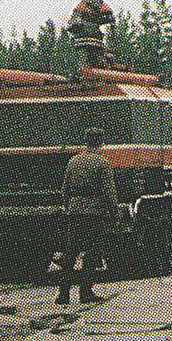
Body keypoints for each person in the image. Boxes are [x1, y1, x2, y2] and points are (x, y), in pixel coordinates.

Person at [54, 127, 118, 305]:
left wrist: (69, 206)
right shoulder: (102, 163)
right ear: (101, 142)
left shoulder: (73, 161)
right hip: (94, 212)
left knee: (70, 253)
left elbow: (65, 189)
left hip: (75, 211)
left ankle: (63, 294)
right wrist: (113, 211)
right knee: (91, 253)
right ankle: (85, 292)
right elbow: (108, 191)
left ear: (85, 140)